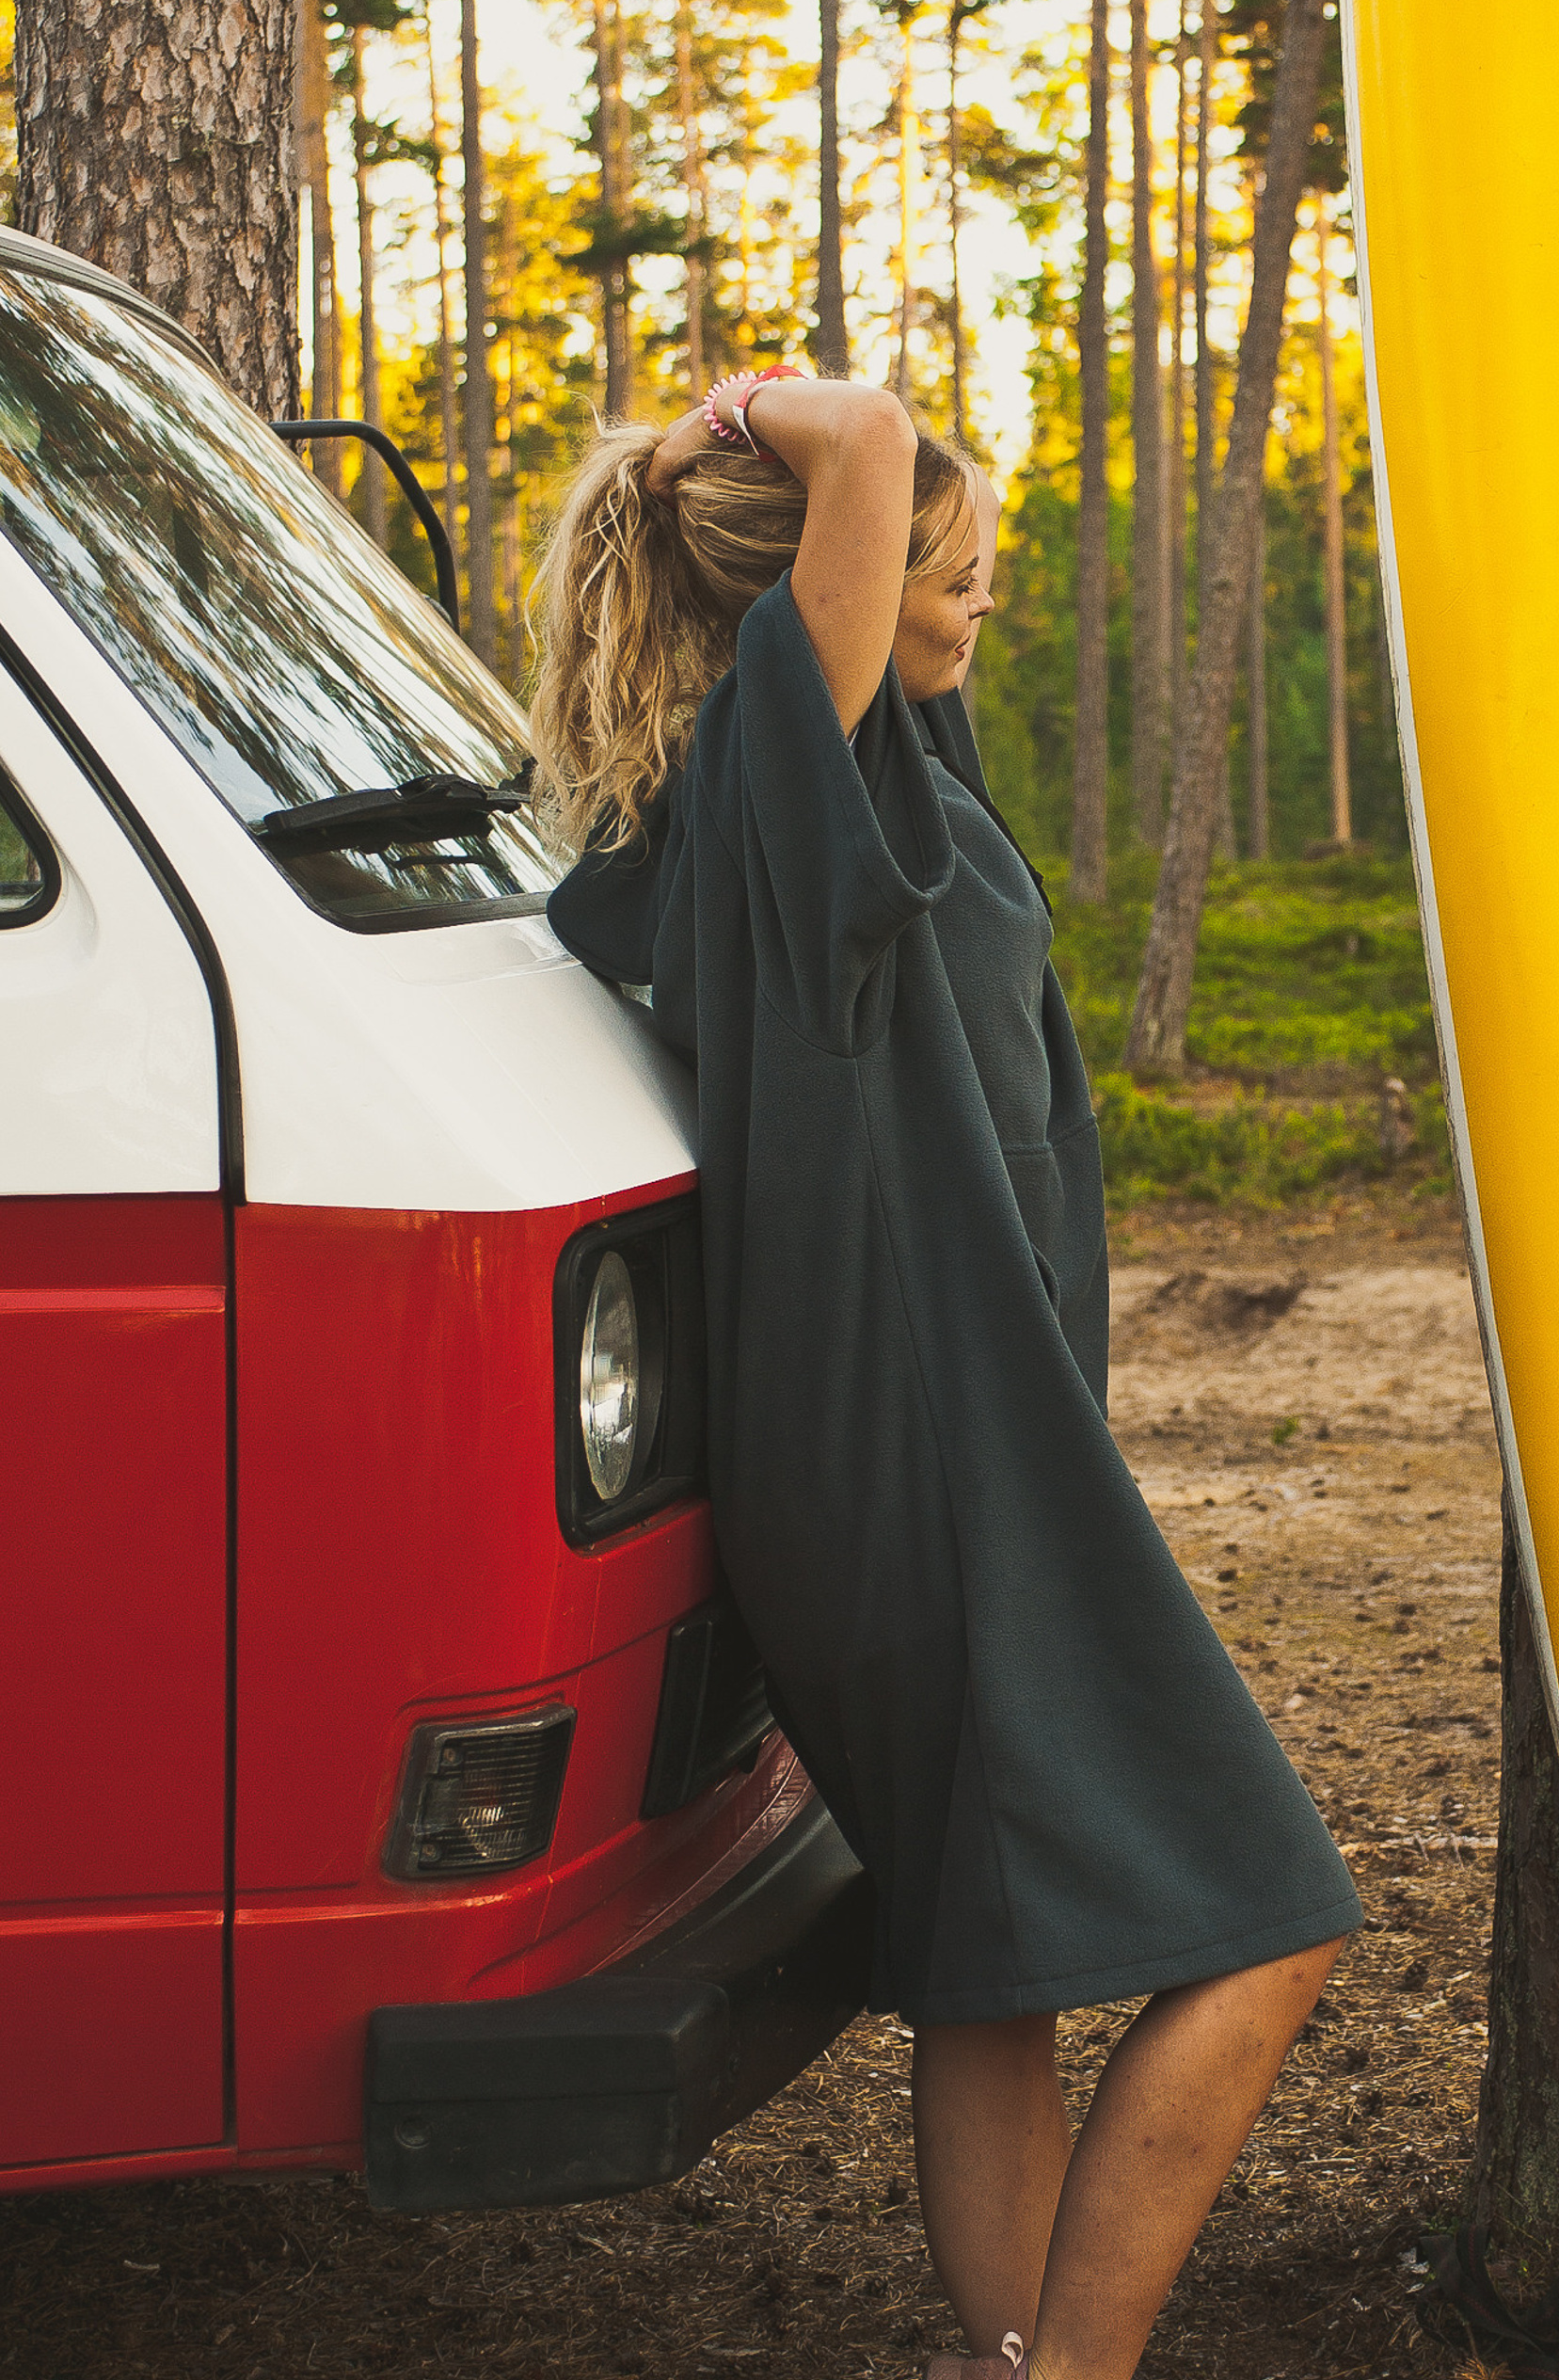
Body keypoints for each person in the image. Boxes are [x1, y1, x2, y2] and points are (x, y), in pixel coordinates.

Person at [534, 370, 1360, 2380]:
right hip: (932, 1463)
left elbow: (898, 518)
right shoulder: (767, 790)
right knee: (1270, 1923)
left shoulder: (889, 767)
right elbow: (874, 436)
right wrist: (734, 418)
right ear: (821, 593)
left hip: (945, 1442)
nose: (981, 588)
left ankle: (1008, 2354)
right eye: (951, 565)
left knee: (990, 1964)